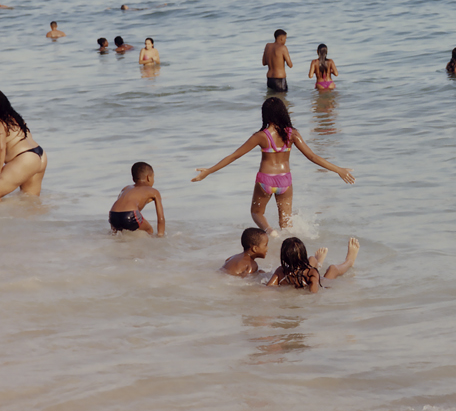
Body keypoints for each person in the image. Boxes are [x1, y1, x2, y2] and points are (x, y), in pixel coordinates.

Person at [191, 97, 354, 231]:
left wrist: (209, 171)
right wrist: (338, 169)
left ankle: (270, 232)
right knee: (286, 225)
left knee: (256, 213)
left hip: (265, 180)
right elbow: (312, 156)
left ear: (265, 115)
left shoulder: (261, 136)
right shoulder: (292, 134)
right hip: (285, 181)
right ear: (283, 112)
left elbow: (234, 156)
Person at [0, 89, 47, 201]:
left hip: (25, 159)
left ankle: (3, 217)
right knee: (30, 200)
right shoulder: (15, 117)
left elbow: (0, 148)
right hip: (40, 155)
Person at [265, 235, 361, 290]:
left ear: (284, 257)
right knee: (332, 269)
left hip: (302, 275)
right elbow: (315, 292)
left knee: (311, 261)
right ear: (304, 253)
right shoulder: (311, 273)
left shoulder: (281, 271)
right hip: (317, 280)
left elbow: (268, 288)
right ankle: (349, 261)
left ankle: (318, 262)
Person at [108, 161, 165, 236]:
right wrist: (161, 235)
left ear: (133, 178)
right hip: (130, 214)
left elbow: (120, 206)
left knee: (120, 234)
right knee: (149, 229)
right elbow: (161, 218)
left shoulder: (126, 188)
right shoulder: (154, 192)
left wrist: (113, 230)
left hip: (113, 215)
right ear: (148, 177)